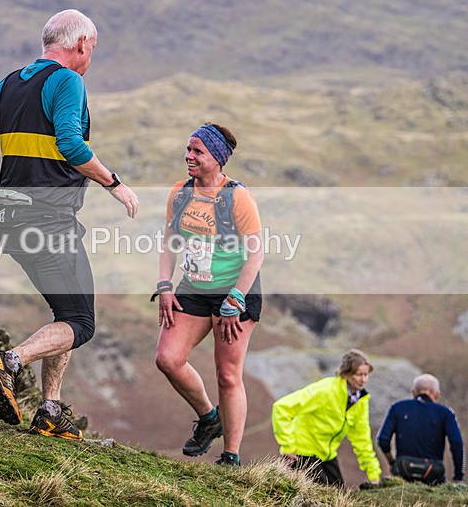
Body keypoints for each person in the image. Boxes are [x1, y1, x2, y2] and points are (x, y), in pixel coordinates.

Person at [0, 9, 138, 440]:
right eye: (93, 48)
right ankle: (8, 363)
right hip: (48, 219)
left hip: (11, 219)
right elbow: (69, 142)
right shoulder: (68, 81)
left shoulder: (10, 83)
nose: (91, 56)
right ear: (81, 44)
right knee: (81, 323)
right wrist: (114, 184)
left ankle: (49, 410)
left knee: (63, 314)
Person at [154, 123, 264, 466]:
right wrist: (165, 286)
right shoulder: (181, 192)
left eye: (197, 151)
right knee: (168, 359)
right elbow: (170, 241)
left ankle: (230, 455)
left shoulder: (237, 197)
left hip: (235, 291)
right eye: (188, 149)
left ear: (216, 158)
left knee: (228, 374)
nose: (188, 156)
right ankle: (208, 417)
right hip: (194, 287)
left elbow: (256, 253)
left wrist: (235, 299)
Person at [271, 349, 382, 487]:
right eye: (359, 374)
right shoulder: (325, 390)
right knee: (323, 494)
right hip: (302, 452)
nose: (363, 379)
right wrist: (288, 447)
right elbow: (281, 407)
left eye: (366, 374)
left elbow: (362, 440)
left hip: (326, 455)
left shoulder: (360, 401)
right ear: (346, 374)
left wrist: (374, 475)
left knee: (339, 492)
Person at [376, 373, 465, 485]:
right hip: (433, 473)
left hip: (403, 470)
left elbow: (382, 439)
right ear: (437, 394)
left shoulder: (397, 407)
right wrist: (458, 476)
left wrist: (392, 462)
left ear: (413, 392)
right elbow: (457, 444)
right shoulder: (446, 413)